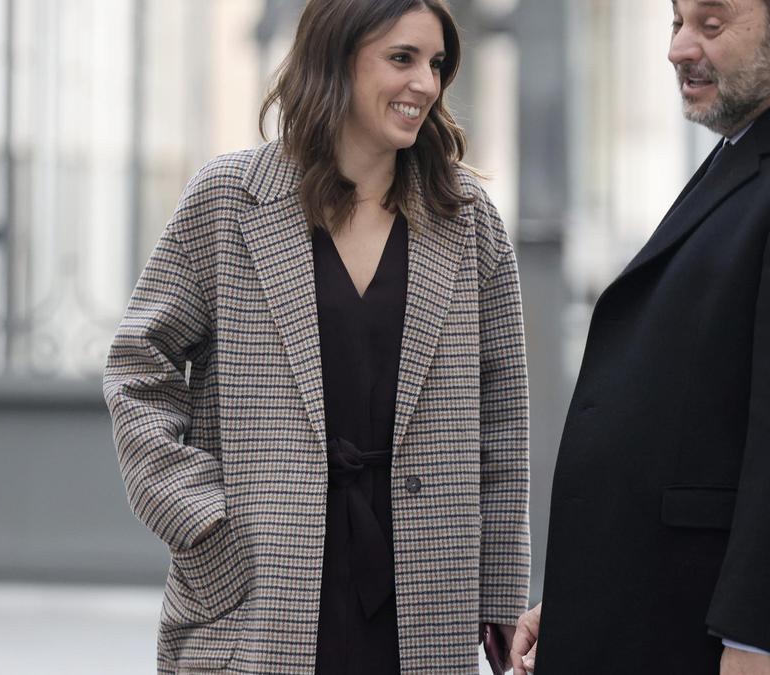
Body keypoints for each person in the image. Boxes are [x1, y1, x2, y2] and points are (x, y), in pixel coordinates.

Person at [102, 0, 530, 672]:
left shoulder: (467, 220)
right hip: (262, 588)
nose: (426, 82)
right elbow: (137, 369)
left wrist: (500, 585)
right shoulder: (227, 199)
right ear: (337, 55)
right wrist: (204, 523)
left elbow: (501, 419)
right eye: (402, 58)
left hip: (421, 592)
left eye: (437, 63)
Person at [511, 1, 770, 673]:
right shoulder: (760, 152)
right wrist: (586, 604)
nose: (678, 47)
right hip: (669, 623)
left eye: (710, 24)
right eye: (676, 22)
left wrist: (753, 642)